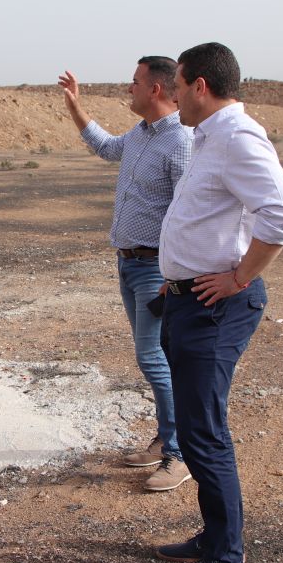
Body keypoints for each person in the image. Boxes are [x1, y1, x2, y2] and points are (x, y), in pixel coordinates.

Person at [153, 42, 283, 563]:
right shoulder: (207, 137)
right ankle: (214, 536)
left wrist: (239, 277)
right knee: (196, 427)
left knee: (204, 431)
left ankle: (227, 558)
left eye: (177, 84)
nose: (171, 96)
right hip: (187, 300)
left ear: (199, 85)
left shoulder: (237, 137)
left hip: (216, 306)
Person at [57, 58, 193, 492]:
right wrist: (75, 107)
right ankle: (166, 439)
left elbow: (189, 212)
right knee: (157, 358)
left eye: (135, 82)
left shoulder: (181, 141)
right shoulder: (140, 134)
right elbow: (105, 147)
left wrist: (176, 272)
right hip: (130, 264)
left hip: (156, 268)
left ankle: (180, 453)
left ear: (155, 89)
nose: (128, 88)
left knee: (154, 358)